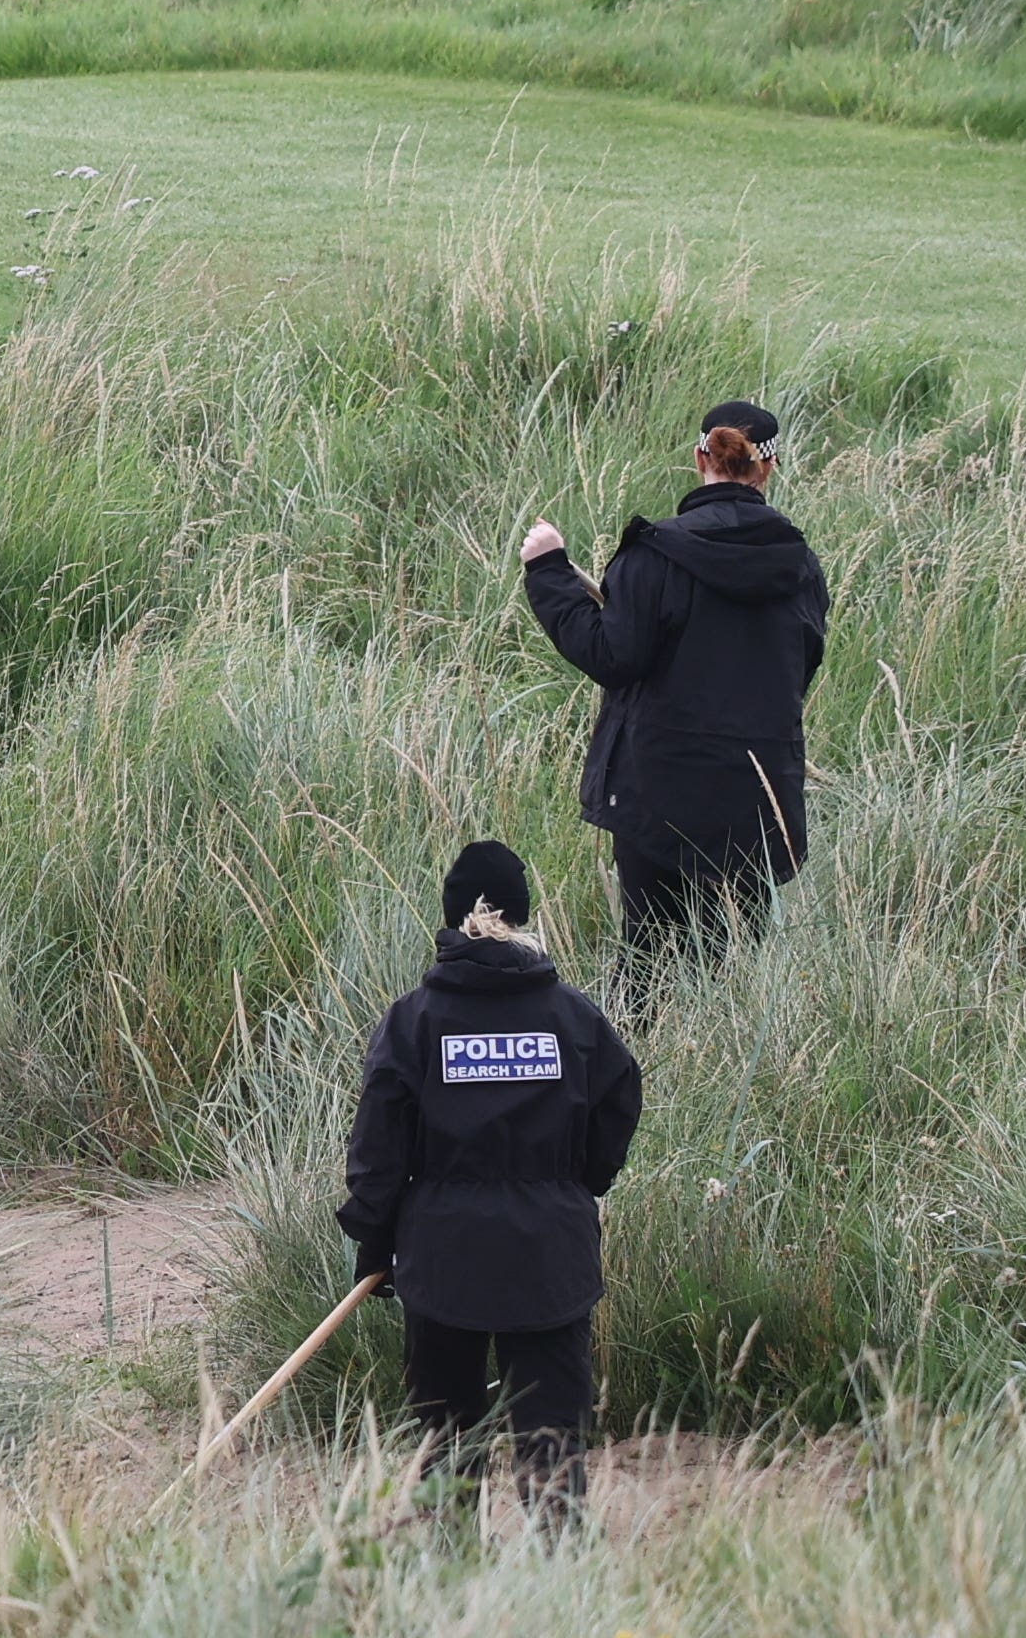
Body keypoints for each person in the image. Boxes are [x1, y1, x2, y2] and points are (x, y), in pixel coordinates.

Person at [335, 838, 646, 1529]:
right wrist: (576, 1182)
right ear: (525, 915)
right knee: (551, 1440)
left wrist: (374, 1239)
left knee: (448, 1440)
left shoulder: (415, 1020)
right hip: (551, 1256)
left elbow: (379, 1147)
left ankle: (450, 1581)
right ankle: (559, 1583)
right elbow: (621, 1098)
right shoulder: (573, 1017)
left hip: (443, 1259)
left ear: (450, 920)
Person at [520, 401, 829, 955]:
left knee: (647, 964)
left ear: (699, 458)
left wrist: (548, 572)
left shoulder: (654, 553)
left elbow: (611, 657)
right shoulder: (802, 566)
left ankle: (637, 1044)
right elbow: (799, 670)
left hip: (656, 794)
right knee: (730, 966)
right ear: (770, 467)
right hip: (757, 796)